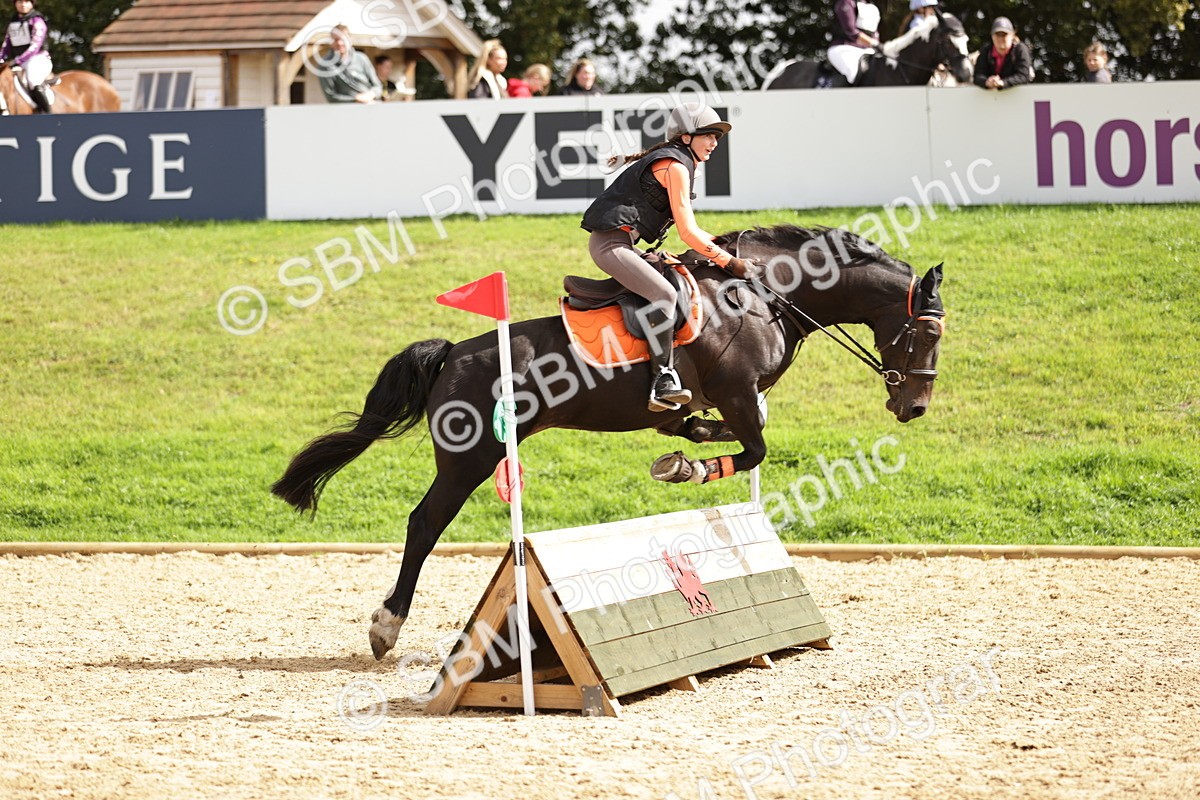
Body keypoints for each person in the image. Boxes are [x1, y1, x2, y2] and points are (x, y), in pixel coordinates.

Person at [580, 103, 756, 412]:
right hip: (611, 247)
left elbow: (694, 232)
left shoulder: (681, 162)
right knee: (662, 293)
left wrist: (723, 248)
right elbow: (689, 233)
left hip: (624, 244)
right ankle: (662, 380)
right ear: (686, 137)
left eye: (717, 136)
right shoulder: (676, 167)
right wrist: (730, 263)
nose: (714, 143)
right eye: (708, 135)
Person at [0, 0, 53, 113]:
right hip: (19, 62)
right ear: (15, 4)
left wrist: (18, 60)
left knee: (33, 80)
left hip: (38, 59)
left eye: (26, 2)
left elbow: (35, 46)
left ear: (32, 4)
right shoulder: (12, 24)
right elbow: (6, 46)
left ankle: (47, 114)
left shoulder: (37, 21)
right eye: (20, 2)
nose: (23, 5)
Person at [318, 25, 382, 104]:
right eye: (336, 40)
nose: (340, 43)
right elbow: (331, 96)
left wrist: (370, 95)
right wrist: (356, 99)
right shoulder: (326, 65)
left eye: (343, 39)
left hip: (371, 106)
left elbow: (377, 86)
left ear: (350, 40)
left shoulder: (362, 58)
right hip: (345, 111)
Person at [826, 0, 881, 86]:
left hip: (868, 49)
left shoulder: (871, 6)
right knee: (853, 73)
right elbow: (851, 31)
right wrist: (875, 44)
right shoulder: (846, 2)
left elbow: (875, 33)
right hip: (844, 47)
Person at [973, 17, 1033, 91]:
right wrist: (987, 82)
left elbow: (1023, 76)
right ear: (992, 36)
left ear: (1012, 35)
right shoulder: (986, 50)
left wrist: (1003, 83)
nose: (1000, 38)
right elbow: (978, 76)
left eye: (1004, 34)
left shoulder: (1020, 50)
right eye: (997, 34)